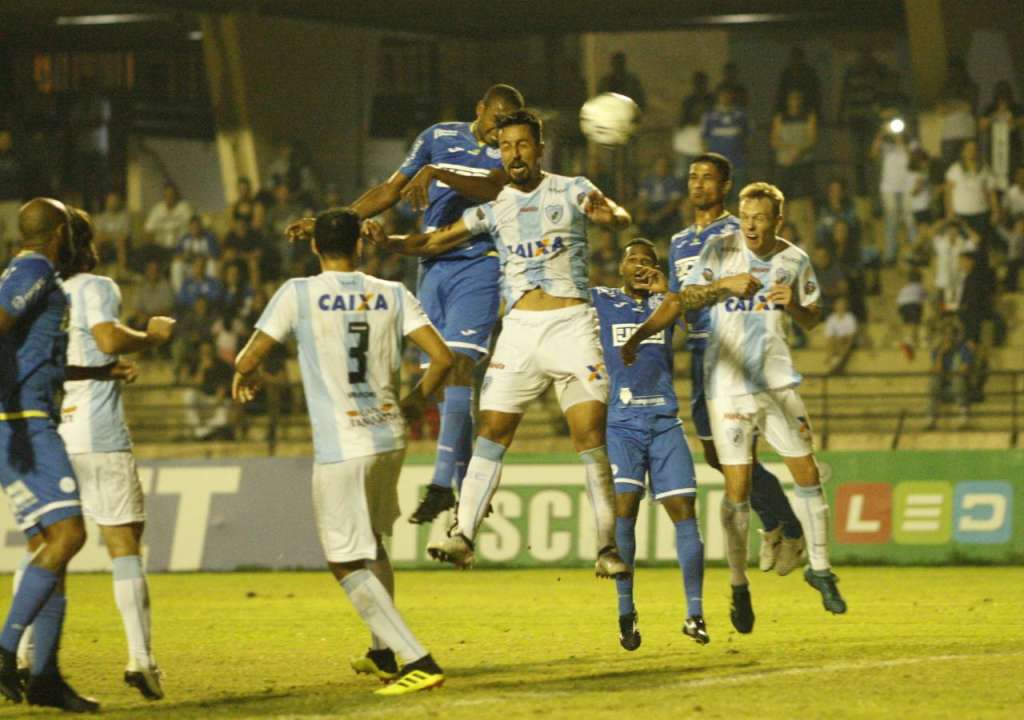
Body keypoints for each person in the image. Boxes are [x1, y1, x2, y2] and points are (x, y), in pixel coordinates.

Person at [365, 109, 631, 579]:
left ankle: (606, 546)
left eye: (522, 145)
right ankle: (463, 535)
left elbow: (615, 214)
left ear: (539, 149)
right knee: (491, 432)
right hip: (520, 333)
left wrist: (607, 213)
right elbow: (432, 242)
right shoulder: (493, 208)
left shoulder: (571, 189)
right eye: (506, 146)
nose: (514, 154)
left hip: (571, 326)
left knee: (589, 437)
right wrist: (388, 242)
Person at [234, 207, 453, 695]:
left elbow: (250, 356)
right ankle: (382, 651)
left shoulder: (298, 293)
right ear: (361, 246)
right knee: (371, 543)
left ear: (314, 246)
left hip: (344, 445)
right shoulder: (394, 294)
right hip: (389, 436)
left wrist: (244, 372)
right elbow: (441, 358)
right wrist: (413, 406)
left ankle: (419, 659)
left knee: (343, 559)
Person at [295, 84, 524, 525]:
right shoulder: (438, 136)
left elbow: (495, 188)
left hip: (480, 260)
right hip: (431, 263)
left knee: (457, 363)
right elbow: (390, 189)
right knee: (442, 378)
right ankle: (464, 494)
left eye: (507, 123)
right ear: (480, 110)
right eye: (496, 120)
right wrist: (336, 222)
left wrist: (438, 173)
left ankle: (441, 485)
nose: (500, 131)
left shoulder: (509, 155)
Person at [622, 182, 848, 629]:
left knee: (808, 474)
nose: (750, 225)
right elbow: (682, 299)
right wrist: (722, 285)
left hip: (778, 384)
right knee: (737, 489)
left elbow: (813, 314)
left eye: (760, 218)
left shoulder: (794, 260)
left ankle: (820, 569)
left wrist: (797, 307)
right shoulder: (719, 250)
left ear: (777, 220)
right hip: (727, 386)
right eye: (746, 216)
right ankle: (739, 587)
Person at [50, 209, 175, 699]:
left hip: (45, 429)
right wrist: (151, 338)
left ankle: (21, 657)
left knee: (50, 547)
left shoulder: (28, 288)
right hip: (96, 431)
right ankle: (141, 660)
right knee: (123, 543)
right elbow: (105, 338)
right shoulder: (93, 286)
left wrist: (101, 371)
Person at [668, 154, 806, 585]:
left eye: (709, 178)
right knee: (715, 455)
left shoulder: (737, 230)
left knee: (739, 456)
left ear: (726, 185)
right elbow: (679, 298)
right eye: (693, 177)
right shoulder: (678, 242)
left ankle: (784, 529)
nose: (699, 184)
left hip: (736, 351)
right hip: (698, 353)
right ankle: (782, 524)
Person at [0, 198, 100, 711]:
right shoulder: (34, 268)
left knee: (51, 549)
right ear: (59, 232)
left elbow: (30, 355)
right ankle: (4, 650)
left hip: (25, 421)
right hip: (24, 425)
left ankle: (45, 676)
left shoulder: (28, 272)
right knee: (70, 534)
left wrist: (100, 373)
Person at [590, 239, 707, 652]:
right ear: (620, 268)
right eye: (632, 260)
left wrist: (664, 288)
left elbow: (686, 312)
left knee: (684, 510)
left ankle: (694, 612)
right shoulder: (600, 299)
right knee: (625, 509)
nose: (639, 266)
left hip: (663, 421)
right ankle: (626, 610)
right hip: (621, 425)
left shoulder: (667, 302)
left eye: (647, 262)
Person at [871, 119, 916, 264]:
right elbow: (873, 154)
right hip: (889, 187)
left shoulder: (912, 144)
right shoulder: (885, 145)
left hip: (907, 187)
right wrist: (882, 133)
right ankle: (891, 253)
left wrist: (902, 141)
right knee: (891, 219)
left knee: (910, 219)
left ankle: (913, 251)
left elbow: (916, 161)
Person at [944, 140, 999, 249]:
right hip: (961, 215)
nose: (971, 152)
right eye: (968, 149)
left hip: (981, 214)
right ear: (963, 152)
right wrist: (949, 212)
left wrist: (995, 211)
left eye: (974, 149)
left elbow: (991, 192)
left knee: (981, 246)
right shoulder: (955, 169)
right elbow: (948, 193)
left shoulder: (985, 169)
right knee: (965, 247)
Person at [925, 317, 972, 430]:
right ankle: (931, 420)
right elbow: (936, 370)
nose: (948, 337)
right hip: (943, 384)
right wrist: (941, 354)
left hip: (959, 383)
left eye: (951, 334)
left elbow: (965, 368)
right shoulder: (937, 350)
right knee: (933, 382)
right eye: (945, 334)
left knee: (958, 380)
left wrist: (954, 373)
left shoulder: (963, 348)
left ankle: (964, 419)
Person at [702, 87, 750, 194]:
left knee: (738, 193)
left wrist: (746, 152)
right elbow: (704, 138)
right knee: (718, 193)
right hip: (717, 163)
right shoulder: (710, 115)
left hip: (738, 161)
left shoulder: (741, 114)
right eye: (723, 96)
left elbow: (748, 136)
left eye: (728, 95)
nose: (725, 98)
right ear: (718, 97)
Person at [635, 156, 682, 241]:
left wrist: (659, 214)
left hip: (665, 207)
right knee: (641, 217)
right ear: (654, 167)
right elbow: (642, 199)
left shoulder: (672, 181)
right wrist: (643, 211)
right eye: (659, 165)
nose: (661, 168)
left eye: (664, 165)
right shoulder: (648, 180)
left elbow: (674, 202)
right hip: (651, 206)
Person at [143, 183, 192, 263]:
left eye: (172, 195)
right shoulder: (157, 209)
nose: (169, 197)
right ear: (163, 196)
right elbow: (148, 231)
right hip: (160, 248)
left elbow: (193, 228)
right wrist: (151, 245)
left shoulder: (184, 208)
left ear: (176, 195)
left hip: (179, 247)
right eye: (166, 195)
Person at [896, 268, 928, 360]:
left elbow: (899, 299)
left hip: (902, 306)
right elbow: (926, 298)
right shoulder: (920, 287)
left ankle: (907, 338)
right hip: (913, 305)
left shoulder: (905, 287)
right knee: (915, 322)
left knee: (907, 322)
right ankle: (912, 340)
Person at [824, 295, 857, 375]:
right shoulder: (831, 318)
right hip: (835, 342)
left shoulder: (850, 318)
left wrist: (841, 339)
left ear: (846, 306)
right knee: (833, 343)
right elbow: (829, 336)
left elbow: (851, 336)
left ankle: (835, 364)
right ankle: (835, 364)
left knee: (842, 342)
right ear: (835, 306)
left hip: (847, 341)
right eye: (839, 304)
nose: (840, 306)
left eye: (842, 304)